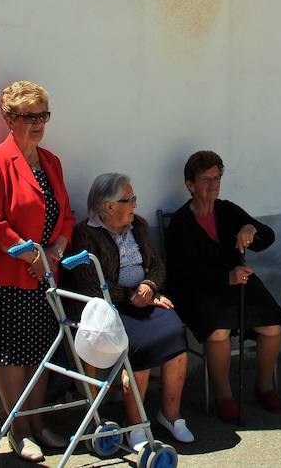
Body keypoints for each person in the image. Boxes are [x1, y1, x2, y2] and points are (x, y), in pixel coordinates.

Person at [0, 81, 74, 463]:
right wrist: (32, 255)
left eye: (42, 115)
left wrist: (56, 249)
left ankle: (37, 423)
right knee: (11, 354)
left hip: (45, 272)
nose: (37, 123)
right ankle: (17, 430)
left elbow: (66, 215)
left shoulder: (51, 161)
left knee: (39, 351)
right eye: (29, 116)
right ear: (10, 119)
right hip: (6, 273)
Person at [69, 174, 192, 451]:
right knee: (140, 348)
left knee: (174, 334)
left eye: (134, 198)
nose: (135, 204)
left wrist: (148, 286)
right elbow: (90, 283)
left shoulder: (139, 226)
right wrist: (133, 296)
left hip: (144, 299)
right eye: (129, 199)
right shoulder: (86, 233)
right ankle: (136, 424)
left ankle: (171, 415)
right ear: (109, 206)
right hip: (108, 308)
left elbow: (158, 265)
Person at [166, 150, 281, 422]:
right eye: (206, 179)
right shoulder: (181, 224)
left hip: (238, 282)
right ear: (190, 184)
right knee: (218, 332)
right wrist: (225, 278)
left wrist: (252, 230)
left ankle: (264, 387)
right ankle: (224, 396)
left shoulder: (227, 210)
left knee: (273, 324)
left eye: (217, 178)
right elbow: (184, 274)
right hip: (199, 290)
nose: (213, 185)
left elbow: (268, 236)